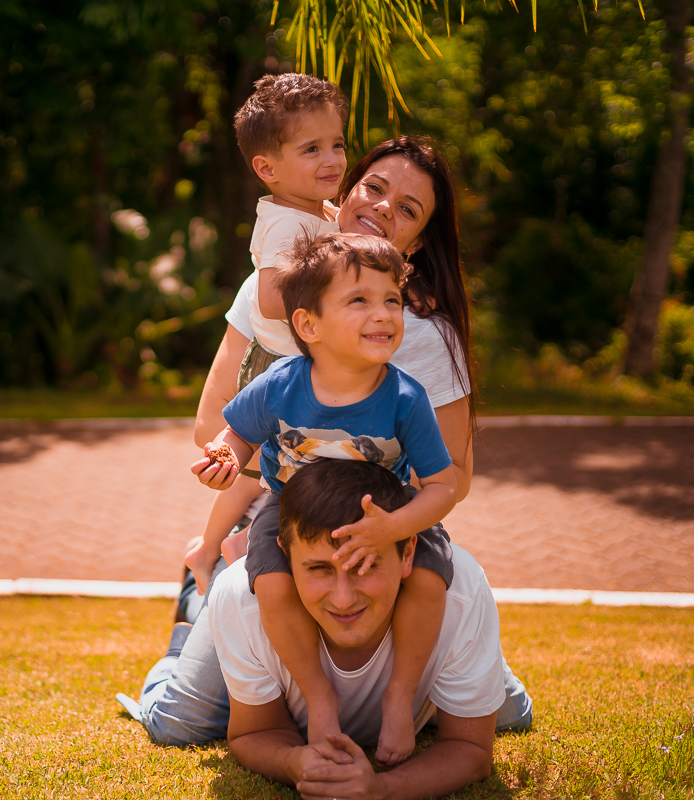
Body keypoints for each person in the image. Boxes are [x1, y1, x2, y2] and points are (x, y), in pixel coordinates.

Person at [114, 135, 532, 749]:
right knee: (182, 723)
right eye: (374, 188)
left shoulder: (420, 338)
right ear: (345, 192)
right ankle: (195, 612)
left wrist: (383, 527)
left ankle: (465, 671)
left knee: (500, 708)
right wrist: (268, 491)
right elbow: (215, 428)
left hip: (380, 525)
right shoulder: (271, 294)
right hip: (281, 513)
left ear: (417, 245)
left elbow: (451, 477)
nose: (384, 207)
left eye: (408, 209)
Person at [192, 231, 457, 766]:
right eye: (359, 300)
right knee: (271, 584)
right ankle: (319, 698)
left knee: (430, 578)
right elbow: (235, 433)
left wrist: (395, 527)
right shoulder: (280, 384)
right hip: (293, 509)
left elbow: (443, 487)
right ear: (308, 325)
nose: (383, 314)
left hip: (383, 512)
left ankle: (399, 696)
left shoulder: (406, 398)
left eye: (392, 300)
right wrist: (223, 458)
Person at [154, 459, 507, 799]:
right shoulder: (243, 596)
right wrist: (293, 763)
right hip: (230, 596)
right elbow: (256, 732)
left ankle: (487, 660)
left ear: (407, 554)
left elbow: (471, 748)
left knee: (514, 713)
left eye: (364, 565)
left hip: (455, 637)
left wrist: (383, 790)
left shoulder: (459, 590)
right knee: (177, 723)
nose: (343, 599)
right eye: (319, 569)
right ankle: (188, 619)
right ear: (285, 557)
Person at [184, 72, 349, 600]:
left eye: (338, 144)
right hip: (276, 369)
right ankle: (219, 546)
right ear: (267, 168)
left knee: (270, 474)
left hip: (285, 366)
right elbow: (273, 298)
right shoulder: (287, 226)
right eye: (311, 149)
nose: (332, 159)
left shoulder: (311, 212)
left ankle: (219, 545)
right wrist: (336, 279)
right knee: (270, 471)